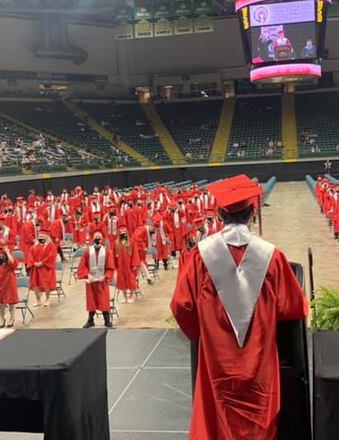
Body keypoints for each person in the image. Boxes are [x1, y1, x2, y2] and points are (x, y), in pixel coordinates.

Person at [170, 174, 308, 440]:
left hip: (216, 363)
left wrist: (204, 331)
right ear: (253, 213)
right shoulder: (271, 256)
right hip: (259, 363)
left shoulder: (200, 255)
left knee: (217, 419)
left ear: (220, 213)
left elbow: (181, 305)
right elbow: (294, 307)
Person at [76, 230, 115, 328]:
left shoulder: (107, 251)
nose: (98, 239)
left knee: (104, 300)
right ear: (93, 239)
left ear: (102, 240)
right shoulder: (87, 251)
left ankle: (107, 321)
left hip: (102, 281)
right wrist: (87, 274)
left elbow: (110, 266)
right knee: (91, 300)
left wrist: (105, 276)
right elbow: (82, 265)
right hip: (91, 281)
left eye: (100, 237)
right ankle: (90, 320)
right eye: (96, 237)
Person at [27, 229, 57, 307]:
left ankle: (47, 299)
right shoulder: (34, 246)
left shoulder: (51, 246)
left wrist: (42, 262)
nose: (41, 238)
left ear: (47, 237)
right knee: (35, 284)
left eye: (43, 236)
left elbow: (51, 256)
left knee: (46, 283)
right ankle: (38, 300)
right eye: (39, 236)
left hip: (46, 268)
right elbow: (30, 255)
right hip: (35, 268)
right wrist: (34, 263)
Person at [112, 226, 139, 304]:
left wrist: (134, 264)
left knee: (131, 281)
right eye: (121, 233)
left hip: (129, 266)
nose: (123, 235)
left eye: (124, 233)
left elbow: (135, 254)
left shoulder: (132, 242)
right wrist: (114, 266)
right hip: (120, 266)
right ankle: (125, 297)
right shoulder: (116, 243)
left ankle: (130, 296)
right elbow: (113, 255)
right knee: (122, 282)